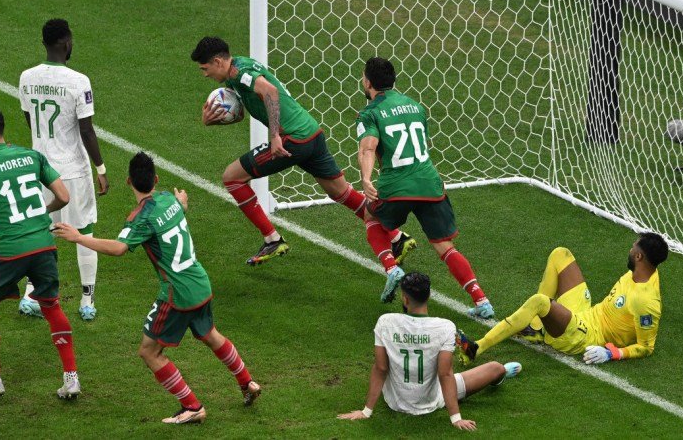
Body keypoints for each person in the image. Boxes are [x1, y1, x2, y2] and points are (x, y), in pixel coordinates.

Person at [53, 152, 261, 424]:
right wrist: (182, 204)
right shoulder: (168, 200)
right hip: (199, 281)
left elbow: (119, 248)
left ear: (129, 181)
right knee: (210, 334)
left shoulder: (142, 217)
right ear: (156, 179)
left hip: (177, 293)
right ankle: (248, 382)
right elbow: (178, 208)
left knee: (149, 352)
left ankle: (192, 406)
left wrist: (79, 237)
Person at [190, 36, 416, 267]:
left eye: (204, 68)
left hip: (293, 139)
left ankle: (272, 239)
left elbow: (270, 93)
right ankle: (397, 237)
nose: (205, 74)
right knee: (340, 192)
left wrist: (275, 134)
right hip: (312, 133)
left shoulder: (240, 73)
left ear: (218, 61)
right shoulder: (239, 70)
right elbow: (240, 111)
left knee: (232, 178)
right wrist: (211, 120)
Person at [356, 57, 494, 318]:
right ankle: (481, 301)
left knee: (370, 215)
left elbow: (369, 147)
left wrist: (366, 179)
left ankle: (391, 268)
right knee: (445, 246)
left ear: (368, 82)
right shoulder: (416, 106)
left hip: (396, 186)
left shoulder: (370, 113)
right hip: (430, 183)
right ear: (394, 81)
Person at [0, 107, 80, 404]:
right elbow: (64, 196)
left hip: (10, 251)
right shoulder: (32, 156)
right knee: (51, 305)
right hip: (44, 246)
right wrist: (42, 213)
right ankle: (71, 378)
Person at [337, 272, 521, 431]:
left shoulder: (386, 322)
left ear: (405, 299)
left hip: (395, 401)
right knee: (496, 368)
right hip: (433, 398)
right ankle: (501, 375)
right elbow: (445, 374)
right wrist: (456, 418)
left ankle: (501, 373)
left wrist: (366, 411)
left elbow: (381, 368)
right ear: (429, 295)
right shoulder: (445, 327)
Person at [18, 18, 109, 321]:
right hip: (71, 171)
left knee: (41, 230)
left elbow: (30, 120)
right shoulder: (78, 81)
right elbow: (87, 131)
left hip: (39, 169)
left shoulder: (26, 78)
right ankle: (87, 300)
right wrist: (101, 167)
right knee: (83, 231)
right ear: (65, 42)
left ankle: (31, 293)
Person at [459, 234, 668, 365]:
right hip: (587, 313)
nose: (630, 250)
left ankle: (477, 347)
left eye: (633, 248)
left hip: (587, 336)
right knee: (561, 254)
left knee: (540, 302)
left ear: (639, 257)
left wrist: (611, 353)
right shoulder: (644, 272)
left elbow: (646, 347)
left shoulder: (646, 301)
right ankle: (536, 327)